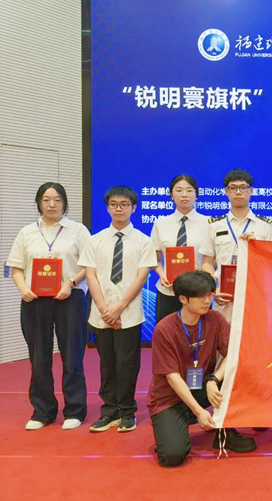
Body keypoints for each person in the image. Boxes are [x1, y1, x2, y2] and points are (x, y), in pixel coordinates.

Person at [147, 271, 256, 466]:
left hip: (202, 386)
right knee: (172, 456)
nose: (208, 301)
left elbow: (233, 354)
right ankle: (173, 430)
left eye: (210, 294)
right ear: (183, 299)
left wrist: (214, 380)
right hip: (170, 397)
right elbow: (172, 378)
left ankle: (225, 432)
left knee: (239, 372)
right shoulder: (165, 329)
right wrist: (198, 411)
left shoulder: (215, 319)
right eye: (201, 296)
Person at [6, 183, 91, 431]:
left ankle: (75, 410)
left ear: (64, 203)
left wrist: (71, 282)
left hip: (70, 297)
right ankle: (42, 411)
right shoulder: (26, 232)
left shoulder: (78, 230)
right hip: (34, 300)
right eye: (46, 200)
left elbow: (89, 265)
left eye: (57, 200)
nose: (52, 204)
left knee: (72, 356)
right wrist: (23, 289)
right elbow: (16, 267)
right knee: (39, 357)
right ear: (39, 203)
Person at [80, 186, 157, 433]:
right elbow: (90, 275)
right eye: (114, 204)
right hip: (100, 313)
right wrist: (105, 308)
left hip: (129, 313)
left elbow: (141, 276)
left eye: (124, 204)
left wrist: (120, 306)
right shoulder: (95, 240)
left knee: (127, 363)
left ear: (134, 208)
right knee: (107, 364)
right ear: (107, 208)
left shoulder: (144, 241)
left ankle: (126, 411)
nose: (119, 209)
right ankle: (109, 411)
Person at [200, 169, 272, 322]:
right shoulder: (215, 225)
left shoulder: (264, 226)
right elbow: (207, 262)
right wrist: (213, 289)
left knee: (254, 333)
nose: (238, 192)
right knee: (223, 335)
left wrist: (257, 245)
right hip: (224, 295)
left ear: (251, 190)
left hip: (255, 292)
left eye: (243, 187)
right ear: (226, 192)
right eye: (233, 188)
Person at [150, 175, 209, 324]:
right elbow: (155, 259)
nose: (184, 195)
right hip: (168, 290)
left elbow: (211, 259)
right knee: (166, 332)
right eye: (179, 190)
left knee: (199, 333)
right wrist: (162, 274)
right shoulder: (160, 224)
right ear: (171, 195)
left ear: (196, 194)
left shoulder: (209, 223)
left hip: (198, 291)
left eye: (189, 190)